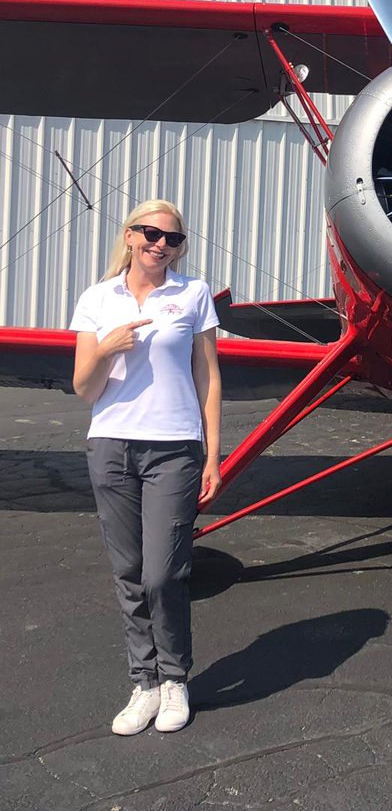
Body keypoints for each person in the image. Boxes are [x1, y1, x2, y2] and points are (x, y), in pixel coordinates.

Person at [71, 199, 222, 735]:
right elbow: (84, 388)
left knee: (165, 573)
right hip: (110, 445)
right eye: (151, 233)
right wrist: (108, 347)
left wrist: (213, 453)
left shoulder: (194, 294)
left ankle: (176, 677)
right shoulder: (96, 298)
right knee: (128, 572)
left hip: (174, 447)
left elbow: (209, 379)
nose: (161, 244)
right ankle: (146, 683)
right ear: (130, 236)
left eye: (173, 239)